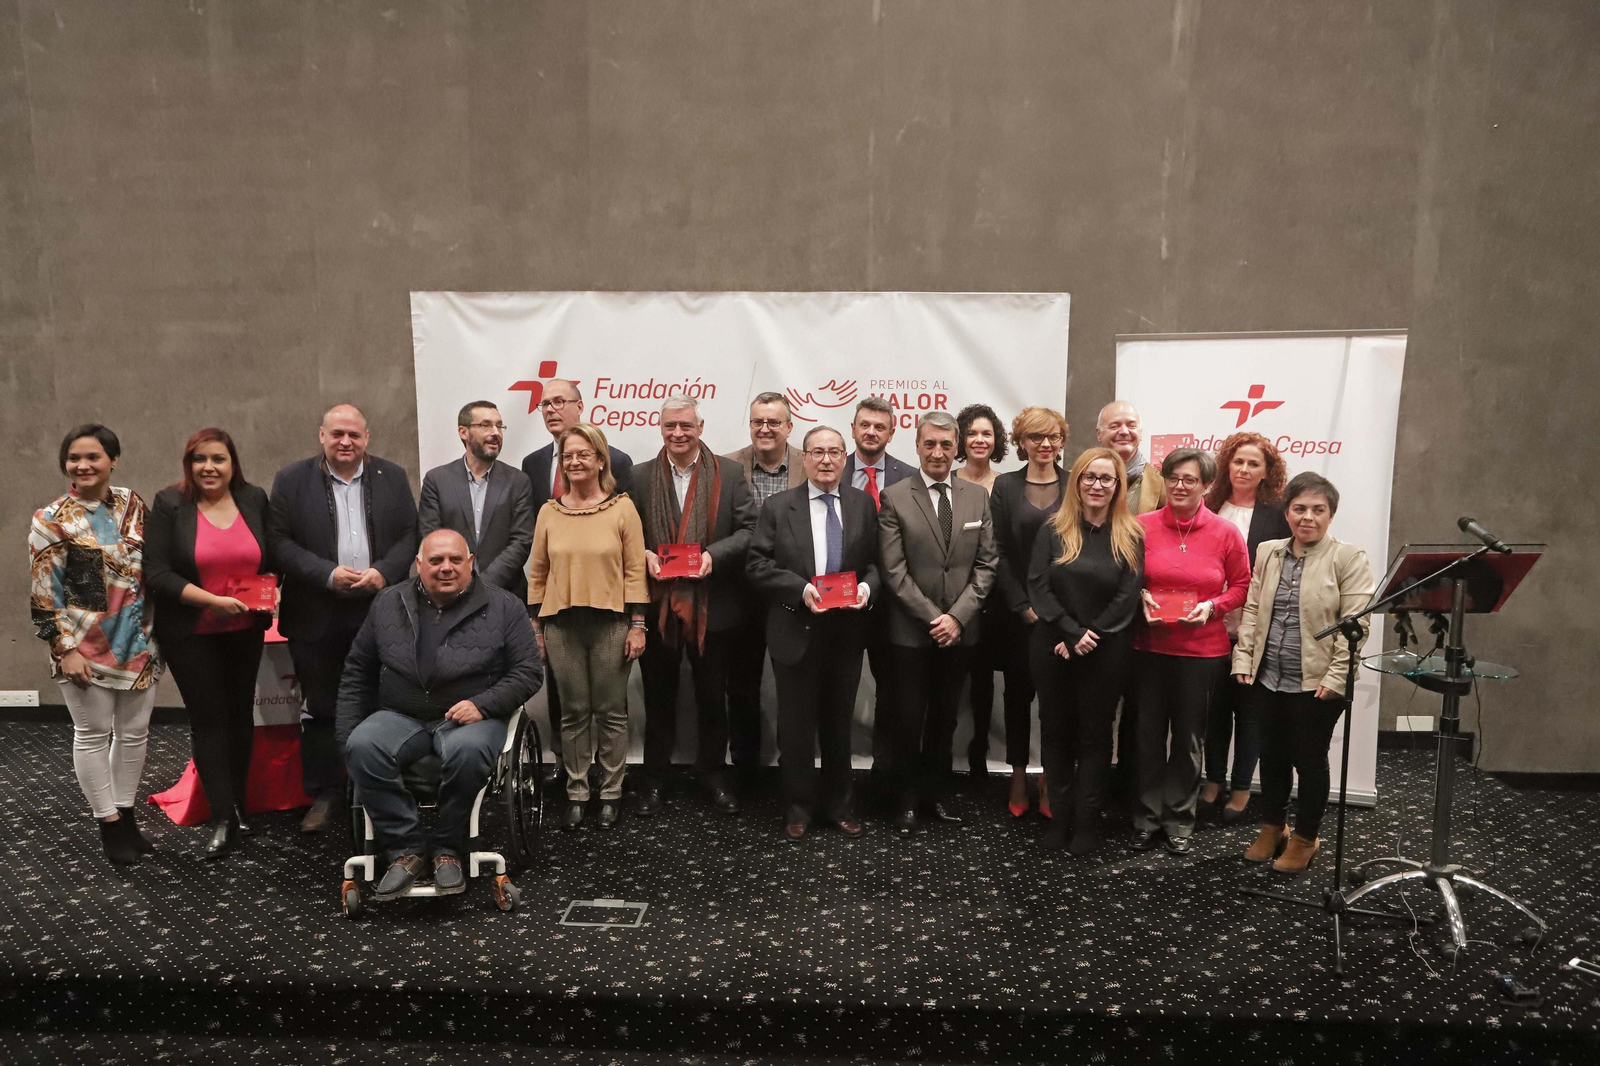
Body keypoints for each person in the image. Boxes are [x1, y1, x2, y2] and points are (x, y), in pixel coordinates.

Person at [339, 529, 542, 899]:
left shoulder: (505, 606)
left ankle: (448, 848)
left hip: (471, 716)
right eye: (435, 560)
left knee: (468, 752)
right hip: (401, 715)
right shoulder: (387, 602)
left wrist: (483, 704)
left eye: (455, 559)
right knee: (362, 747)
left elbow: (528, 672)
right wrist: (346, 739)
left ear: (471, 563)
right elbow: (356, 672)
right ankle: (406, 849)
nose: (446, 567)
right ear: (419, 564)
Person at [267, 404, 419, 833]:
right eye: (337, 434)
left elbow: (411, 534)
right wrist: (326, 573)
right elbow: (278, 542)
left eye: (354, 434)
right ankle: (326, 793)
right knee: (322, 707)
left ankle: (381, 787)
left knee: (384, 701)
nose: (345, 442)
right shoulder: (291, 480)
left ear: (367, 438)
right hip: (315, 613)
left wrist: (384, 572)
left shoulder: (392, 476)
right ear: (322, 435)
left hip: (380, 610)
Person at [29, 425, 160, 866]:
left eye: (93, 457)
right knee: (91, 735)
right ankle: (108, 824)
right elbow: (44, 593)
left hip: (138, 640)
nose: (82, 465)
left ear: (113, 460)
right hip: (84, 646)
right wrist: (64, 650)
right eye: (74, 458)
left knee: (134, 734)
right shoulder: (50, 519)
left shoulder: (132, 504)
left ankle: (127, 815)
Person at [1235, 473, 1375, 873]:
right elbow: (1252, 608)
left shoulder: (1348, 557)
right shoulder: (1268, 551)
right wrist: (1244, 658)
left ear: (1331, 515)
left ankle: (1306, 837)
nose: (1307, 517)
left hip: (1317, 683)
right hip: (1268, 675)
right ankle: (1272, 827)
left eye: (1318, 510)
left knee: (1309, 761)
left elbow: (1357, 624)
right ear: (1287, 512)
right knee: (1271, 756)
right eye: (1299, 509)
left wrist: (1336, 677)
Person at [144, 429, 274, 859]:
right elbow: (157, 573)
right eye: (200, 459)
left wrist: (272, 590)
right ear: (189, 464)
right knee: (210, 721)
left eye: (218, 459)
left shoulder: (253, 499)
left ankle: (239, 808)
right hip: (191, 632)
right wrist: (212, 601)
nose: (209, 467)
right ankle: (222, 817)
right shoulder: (170, 504)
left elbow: (270, 556)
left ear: (233, 463)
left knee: (240, 717)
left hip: (245, 628)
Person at [746, 426, 879, 840]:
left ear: (844, 457)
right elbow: (757, 564)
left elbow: (876, 563)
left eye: (834, 452)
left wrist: (866, 589)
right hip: (795, 629)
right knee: (796, 727)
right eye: (817, 452)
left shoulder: (862, 504)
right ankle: (798, 808)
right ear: (803, 458)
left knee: (839, 726)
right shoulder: (778, 506)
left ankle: (839, 806)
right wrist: (801, 590)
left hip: (845, 634)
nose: (826, 460)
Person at [631, 395, 757, 817]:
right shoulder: (639, 476)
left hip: (714, 607)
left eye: (686, 425)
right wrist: (643, 554)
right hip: (658, 608)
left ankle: (711, 775)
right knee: (659, 699)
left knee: (712, 698)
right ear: (661, 428)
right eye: (670, 426)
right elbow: (625, 532)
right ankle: (654, 779)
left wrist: (712, 557)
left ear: (700, 428)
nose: (678, 433)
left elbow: (749, 529)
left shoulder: (730, 473)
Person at [878, 411, 999, 835]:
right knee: (908, 719)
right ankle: (906, 800)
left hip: (961, 634)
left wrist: (958, 618)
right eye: (929, 443)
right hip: (911, 633)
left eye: (946, 444)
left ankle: (935, 794)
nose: (937, 452)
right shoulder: (895, 496)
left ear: (957, 448)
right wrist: (936, 618)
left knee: (946, 719)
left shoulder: (977, 497)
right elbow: (893, 571)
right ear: (917, 446)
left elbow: (987, 564)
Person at [526, 424, 648, 830]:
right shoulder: (549, 512)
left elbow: (635, 570)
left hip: (612, 624)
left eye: (583, 454)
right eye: (568, 455)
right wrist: (537, 628)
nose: (574, 461)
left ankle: (611, 793)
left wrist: (638, 624)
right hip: (562, 627)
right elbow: (537, 573)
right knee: (574, 713)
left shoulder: (622, 508)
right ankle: (577, 793)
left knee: (611, 713)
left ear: (600, 460)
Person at [1130, 448, 1250, 855]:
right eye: (1173, 478)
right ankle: (1146, 817)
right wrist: (1140, 597)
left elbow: (1242, 585)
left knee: (1188, 739)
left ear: (1206, 485)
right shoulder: (1140, 526)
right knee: (1147, 738)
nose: (1180, 486)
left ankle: (1180, 818)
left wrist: (1213, 607)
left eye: (1190, 480)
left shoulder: (1226, 533)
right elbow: (1125, 578)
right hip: (1148, 647)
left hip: (1202, 653)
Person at [1028, 447, 1143, 855]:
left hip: (1105, 651)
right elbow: (1038, 585)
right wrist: (1071, 632)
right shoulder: (1053, 529)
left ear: (1118, 485)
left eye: (1106, 478)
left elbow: (1127, 597)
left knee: (1095, 738)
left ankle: (1087, 824)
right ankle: (1059, 820)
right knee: (1056, 734)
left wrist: (1087, 636)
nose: (1097, 485)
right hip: (1053, 647)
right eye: (1089, 477)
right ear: (1076, 482)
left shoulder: (1131, 534)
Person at [519, 379, 634, 762]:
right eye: (545, 404)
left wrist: (637, 620)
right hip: (559, 610)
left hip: (608, 610)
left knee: (609, 706)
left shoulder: (619, 468)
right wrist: (537, 619)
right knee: (567, 703)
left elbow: (631, 552)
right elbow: (537, 555)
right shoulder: (534, 465)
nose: (551, 409)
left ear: (580, 406)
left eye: (559, 401)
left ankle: (610, 780)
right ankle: (570, 773)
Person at [1199, 432, 1291, 823]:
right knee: (1214, 714)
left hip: (1256, 630)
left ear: (1267, 471)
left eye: (1254, 463)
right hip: (1210, 626)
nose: (1244, 469)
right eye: (1238, 461)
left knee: (1249, 715)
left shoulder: (1279, 514)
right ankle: (1212, 781)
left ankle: (1240, 788)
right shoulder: (1210, 505)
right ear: (1227, 466)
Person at [985, 406, 1070, 815]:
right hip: (1016, 614)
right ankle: (1018, 775)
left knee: (1058, 704)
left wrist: (1058, 610)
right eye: (1036, 437)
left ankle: (1050, 777)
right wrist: (1021, 604)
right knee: (1017, 698)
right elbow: (997, 550)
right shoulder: (1005, 485)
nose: (1045, 444)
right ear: (1021, 442)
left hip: (1064, 614)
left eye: (1053, 436)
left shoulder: (1075, 483)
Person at [723, 392, 807, 786]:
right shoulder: (727, 467)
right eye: (758, 421)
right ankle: (746, 773)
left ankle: (797, 773)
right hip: (741, 593)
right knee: (741, 687)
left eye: (774, 422)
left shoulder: (810, 464)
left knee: (798, 689)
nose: (765, 429)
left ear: (789, 427)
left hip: (795, 594)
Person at [842, 395, 917, 796]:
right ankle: (835, 777)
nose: (871, 432)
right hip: (841, 603)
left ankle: (885, 778)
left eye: (879, 426)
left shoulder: (910, 477)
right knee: (838, 690)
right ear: (853, 429)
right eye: (865, 425)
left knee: (893, 693)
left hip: (895, 604)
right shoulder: (830, 468)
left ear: (892, 432)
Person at [1096, 400, 1163, 805]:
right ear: (1099, 433)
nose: (1124, 431)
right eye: (1115, 425)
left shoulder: (1161, 483)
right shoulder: (1083, 477)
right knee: (1096, 708)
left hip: (1143, 613)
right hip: (1090, 612)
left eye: (1131, 424)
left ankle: (1129, 791)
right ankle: (1096, 788)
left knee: (1139, 709)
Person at [418, 400, 536, 598]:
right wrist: (461, 581)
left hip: (505, 595)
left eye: (499, 426)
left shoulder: (517, 481)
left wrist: (482, 585)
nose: (496, 433)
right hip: (450, 594)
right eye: (485, 425)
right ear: (463, 432)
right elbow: (431, 537)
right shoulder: (437, 480)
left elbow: (521, 541)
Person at [953, 403, 1007, 785]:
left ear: (996, 440)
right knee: (950, 681)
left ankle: (979, 756)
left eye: (986, 433)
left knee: (985, 682)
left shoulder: (1006, 484)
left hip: (998, 599)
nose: (979, 439)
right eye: (971, 433)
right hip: (955, 597)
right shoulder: (947, 480)